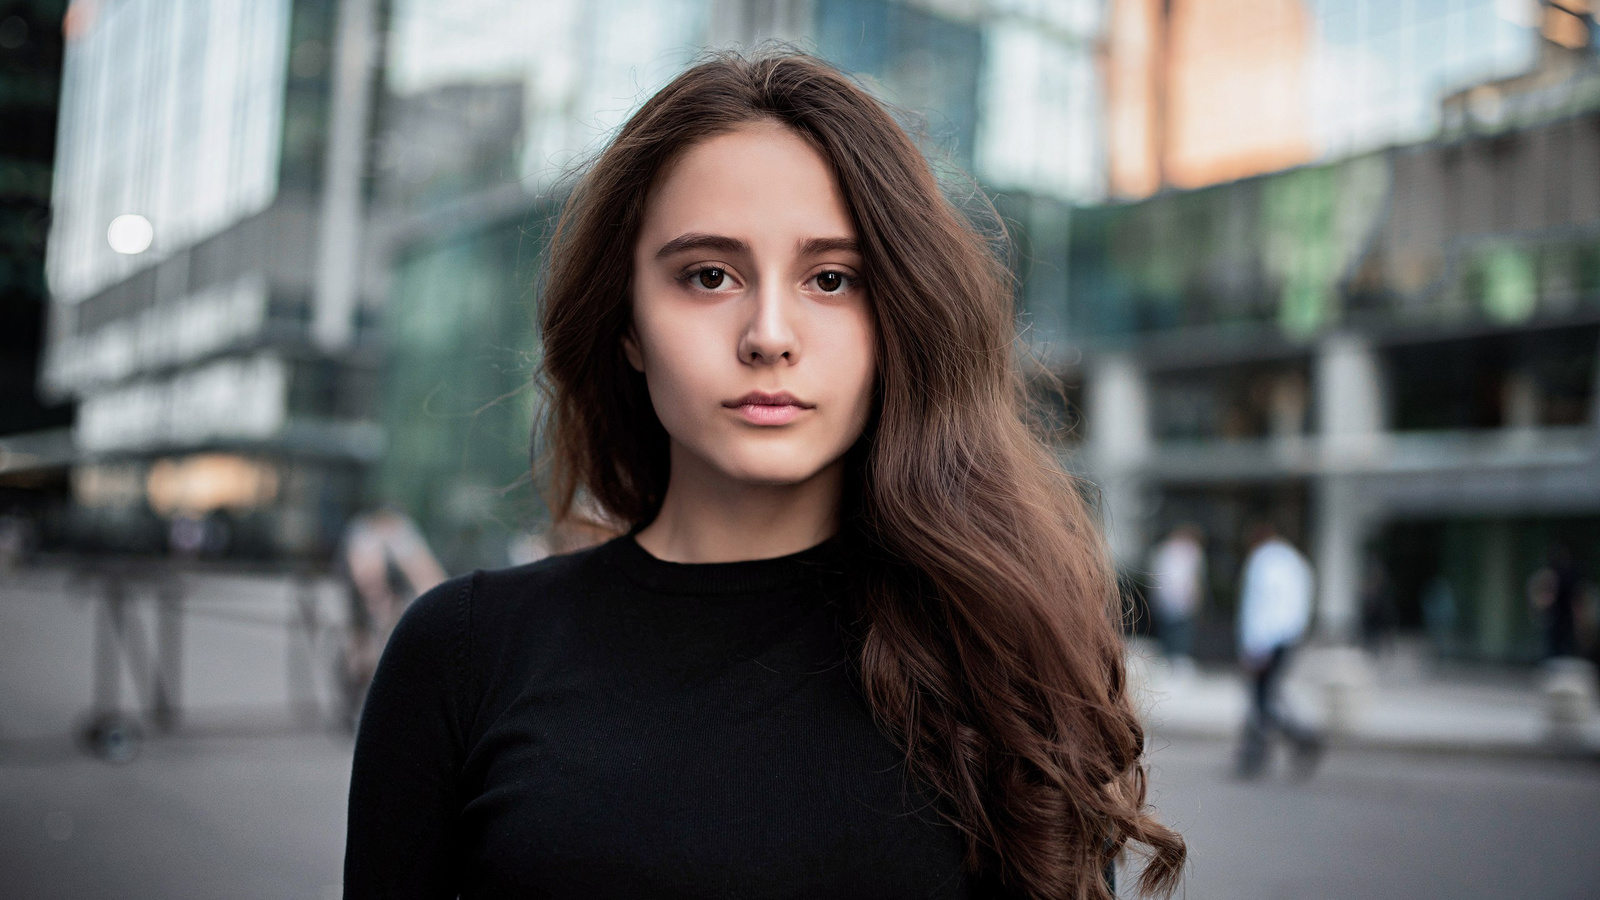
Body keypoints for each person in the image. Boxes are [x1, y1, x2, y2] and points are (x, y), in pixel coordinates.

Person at [343, 51, 1184, 899]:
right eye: (709, 276)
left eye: (831, 279)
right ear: (627, 323)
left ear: (897, 317)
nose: (769, 335)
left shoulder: (994, 654)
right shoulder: (463, 653)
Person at [1233, 520, 1324, 780]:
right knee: (1267, 696)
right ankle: (1270, 747)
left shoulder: (1261, 562)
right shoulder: (1294, 561)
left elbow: (1259, 606)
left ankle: (1279, 745)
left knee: (1262, 698)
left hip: (1267, 639)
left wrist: (1255, 646)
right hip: (1288, 637)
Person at [1147, 524, 1206, 673]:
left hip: (1179, 602)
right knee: (1172, 633)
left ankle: (1176, 663)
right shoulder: (1172, 551)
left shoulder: (1186, 551)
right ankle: (1171, 663)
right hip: (1172, 602)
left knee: (1178, 634)